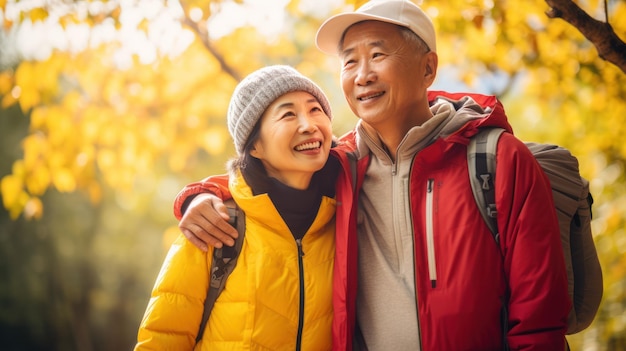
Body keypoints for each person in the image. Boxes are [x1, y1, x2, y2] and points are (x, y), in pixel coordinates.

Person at [173, 1, 571, 350]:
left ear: (427, 68)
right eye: (349, 61)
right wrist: (198, 196)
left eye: (377, 55)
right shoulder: (342, 164)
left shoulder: (497, 159)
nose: (362, 74)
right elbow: (267, 174)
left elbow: (539, 320)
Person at [135, 65, 355, 350]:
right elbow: (162, 338)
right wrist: (195, 195)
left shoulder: (345, 213)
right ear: (255, 147)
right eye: (288, 114)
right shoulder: (215, 224)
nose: (309, 125)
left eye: (315, 110)